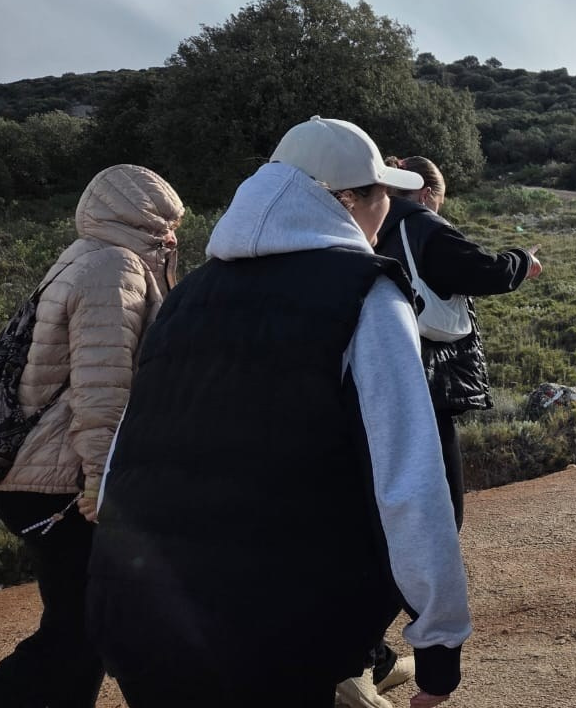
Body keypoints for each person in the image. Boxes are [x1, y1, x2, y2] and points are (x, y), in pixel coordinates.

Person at [86, 117, 471, 708]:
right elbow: (409, 480)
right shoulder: (365, 293)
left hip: (140, 614)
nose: (386, 213)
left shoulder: (192, 293)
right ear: (346, 200)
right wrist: (440, 643)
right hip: (271, 635)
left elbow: (126, 450)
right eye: (381, 197)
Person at [339, 155, 543, 708]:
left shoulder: (350, 230)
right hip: (421, 382)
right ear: (426, 189)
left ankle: (366, 657)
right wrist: (522, 261)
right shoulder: (419, 222)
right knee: (433, 515)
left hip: (356, 387)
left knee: (372, 515)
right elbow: (476, 269)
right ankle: (361, 656)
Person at [0, 164, 183, 708]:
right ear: (139, 216)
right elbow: (103, 389)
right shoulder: (112, 267)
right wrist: (101, 482)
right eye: (165, 220)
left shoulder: (87, 255)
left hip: (41, 474)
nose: (173, 232)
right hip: (63, 482)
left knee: (83, 629)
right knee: (81, 632)